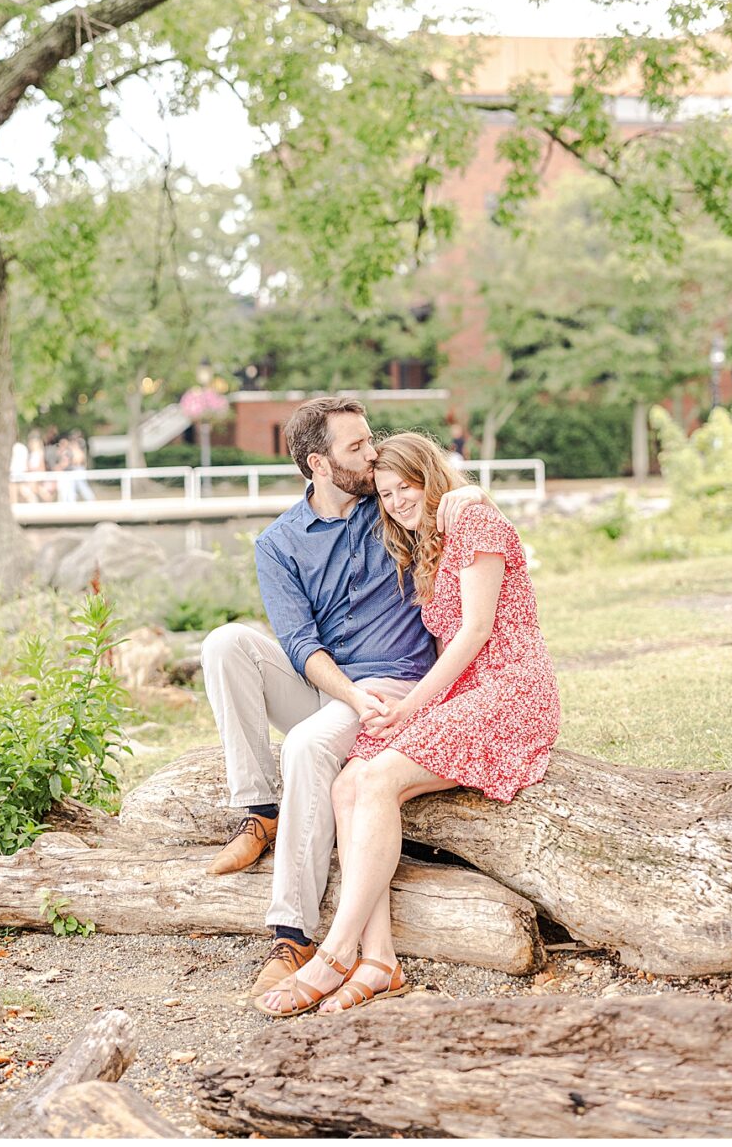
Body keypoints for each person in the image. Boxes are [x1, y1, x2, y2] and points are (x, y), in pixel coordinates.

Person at [255, 432, 560, 1016]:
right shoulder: (424, 538)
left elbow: (473, 632)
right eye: (386, 491)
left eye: (406, 488)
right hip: (464, 694)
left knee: (376, 780)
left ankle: (336, 953)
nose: (394, 501)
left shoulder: (472, 523)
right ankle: (380, 958)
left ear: (430, 477)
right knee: (348, 780)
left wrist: (415, 703)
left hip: (509, 691)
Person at [200, 398, 483, 996]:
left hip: (395, 687)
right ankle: (260, 812)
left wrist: (469, 495)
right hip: (336, 686)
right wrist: (347, 694)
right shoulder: (278, 543)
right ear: (319, 464)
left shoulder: (388, 508)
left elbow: (443, 495)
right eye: (356, 447)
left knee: (305, 746)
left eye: (370, 439)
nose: (373, 453)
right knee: (226, 643)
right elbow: (299, 644)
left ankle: (292, 933)